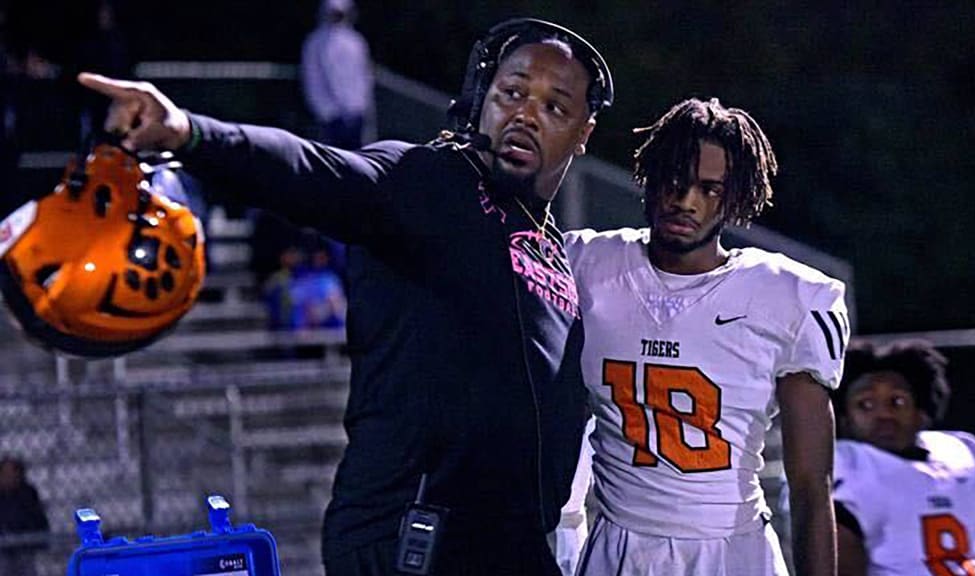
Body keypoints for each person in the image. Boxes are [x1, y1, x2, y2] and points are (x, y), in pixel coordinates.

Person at [78, 17, 613, 576]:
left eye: (555, 108)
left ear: (583, 133)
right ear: (483, 98)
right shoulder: (427, 179)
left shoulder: (552, 245)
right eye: (512, 92)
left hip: (515, 545)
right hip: (413, 541)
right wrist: (190, 132)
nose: (526, 113)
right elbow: (310, 170)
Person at [563, 97, 848, 575]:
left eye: (709, 188)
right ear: (649, 174)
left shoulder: (788, 296)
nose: (686, 199)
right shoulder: (584, 264)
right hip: (617, 547)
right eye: (674, 178)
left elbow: (810, 486)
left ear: (736, 197)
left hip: (731, 553)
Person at [831, 339, 975, 576]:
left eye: (897, 401)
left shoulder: (966, 453)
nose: (884, 414)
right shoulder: (844, 466)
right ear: (844, 418)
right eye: (865, 404)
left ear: (921, 412)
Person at [301, 0, 374, 150]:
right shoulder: (315, 42)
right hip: (329, 115)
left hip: (355, 113)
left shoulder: (356, 41)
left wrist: (361, 106)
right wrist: (325, 110)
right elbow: (312, 79)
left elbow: (364, 76)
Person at [0, 456, 49, 576]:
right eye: (5, 474)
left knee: (25, 565)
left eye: (13, 473)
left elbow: (38, 519)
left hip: (24, 544)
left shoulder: (27, 493)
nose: (9, 478)